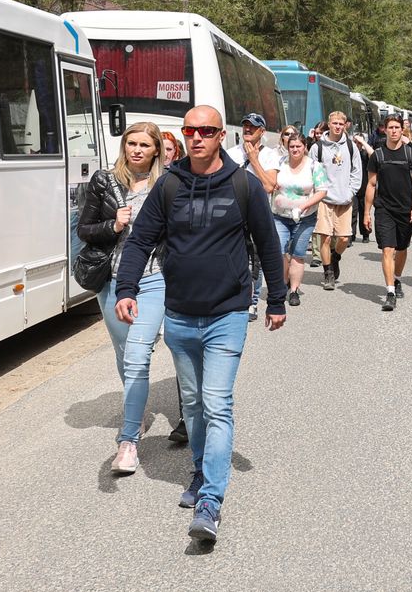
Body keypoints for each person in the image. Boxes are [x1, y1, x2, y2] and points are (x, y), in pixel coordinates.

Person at [114, 105, 287, 543]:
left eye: (206, 131)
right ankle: (198, 471)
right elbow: (140, 240)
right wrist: (127, 289)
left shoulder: (243, 184)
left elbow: (267, 244)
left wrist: (277, 300)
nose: (196, 137)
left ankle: (211, 500)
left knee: (217, 403)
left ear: (218, 135)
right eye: (189, 130)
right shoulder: (169, 185)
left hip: (228, 313)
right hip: (180, 315)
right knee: (191, 405)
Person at [79, 122, 166, 475]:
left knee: (137, 352)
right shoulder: (104, 180)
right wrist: (112, 225)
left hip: (155, 277)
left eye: (144, 144)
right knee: (123, 354)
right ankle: (139, 411)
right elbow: (83, 229)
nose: (137, 150)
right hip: (111, 279)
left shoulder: (168, 184)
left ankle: (127, 442)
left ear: (156, 149)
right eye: (131, 143)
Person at [364, 114, 412, 310]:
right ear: (385, 130)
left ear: (401, 130)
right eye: (390, 127)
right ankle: (390, 291)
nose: (393, 131)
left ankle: (397, 278)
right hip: (384, 209)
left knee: (401, 248)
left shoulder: (411, 154)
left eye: (397, 128)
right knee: (387, 250)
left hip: (405, 210)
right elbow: (371, 185)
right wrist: (366, 212)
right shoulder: (378, 156)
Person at [228, 113, 281, 322]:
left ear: (262, 131)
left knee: (256, 258)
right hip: (233, 213)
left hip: (258, 214)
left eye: (253, 127)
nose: (248, 130)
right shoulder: (230, 153)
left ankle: (253, 300)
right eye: (246, 126)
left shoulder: (270, 155)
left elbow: (268, 186)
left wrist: (253, 160)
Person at [270, 131, 327, 307]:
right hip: (279, 216)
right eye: (292, 146)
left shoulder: (314, 166)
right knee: (279, 251)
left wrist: (303, 206)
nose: (295, 149)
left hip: (305, 218)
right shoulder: (280, 164)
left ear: (305, 147)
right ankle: (282, 284)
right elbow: (269, 182)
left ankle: (294, 290)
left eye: (298, 146)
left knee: (298, 254)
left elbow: (322, 191)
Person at [311, 111, 362, 290]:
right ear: (329, 124)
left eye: (341, 124)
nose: (338, 127)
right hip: (324, 199)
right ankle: (328, 274)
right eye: (335, 123)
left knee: (344, 238)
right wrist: (317, 193)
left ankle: (335, 258)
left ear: (345, 125)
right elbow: (311, 171)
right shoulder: (317, 147)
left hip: (345, 199)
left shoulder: (350, 146)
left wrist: (351, 192)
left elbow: (357, 171)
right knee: (324, 238)